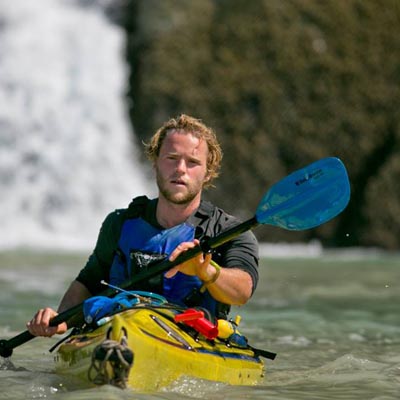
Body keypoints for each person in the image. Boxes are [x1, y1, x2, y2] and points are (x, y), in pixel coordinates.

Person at [27, 114, 259, 337]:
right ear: (155, 163)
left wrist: (205, 270)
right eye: (171, 158)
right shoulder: (119, 223)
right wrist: (61, 319)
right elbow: (88, 283)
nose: (180, 169)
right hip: (114, 331)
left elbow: (242, 291)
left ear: (207, 173)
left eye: (192, 162)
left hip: (190, 340)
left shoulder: (228, 232)